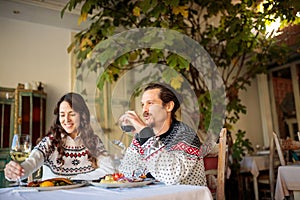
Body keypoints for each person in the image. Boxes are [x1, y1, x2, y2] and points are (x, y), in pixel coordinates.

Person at [4, 92, 114, 181]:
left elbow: (109, 170)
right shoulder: (50, 142)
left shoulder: (93, 141)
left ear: (82, 115)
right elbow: (30, 163)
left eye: (72, 114)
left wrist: (72, 180)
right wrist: (14, 172)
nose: (66, 120)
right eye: (62, 115)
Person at [118, 83, 212, 185]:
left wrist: (145, 133)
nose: (144, 110)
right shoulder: (142, 137)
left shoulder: (186, 135)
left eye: (150, 103)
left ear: (168, 106)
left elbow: (172, 176)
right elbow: (125, 171)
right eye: (143, 104)